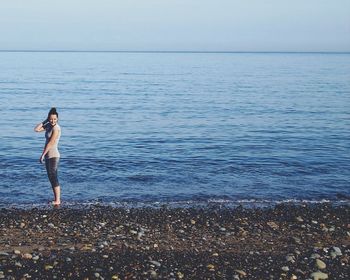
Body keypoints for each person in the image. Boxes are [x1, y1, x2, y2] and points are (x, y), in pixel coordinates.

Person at [34, 107, 62, 205]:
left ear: (57, 119)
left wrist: (42, 155)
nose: (53, 121)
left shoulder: (56, 128)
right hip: (48, 156)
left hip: (53, 155)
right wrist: (45, 121)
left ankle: (57, 200)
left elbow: (51, 143)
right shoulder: (49, 126)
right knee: (50, 176)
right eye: (51, 119)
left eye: (54, 119)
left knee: (53, 176)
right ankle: (56, 199)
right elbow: (36, 129)